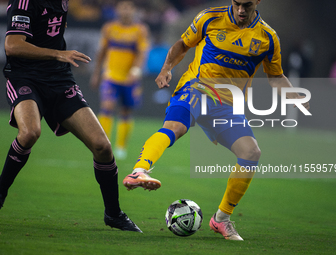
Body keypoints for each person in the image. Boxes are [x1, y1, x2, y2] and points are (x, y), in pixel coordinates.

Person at [122, 0, 310, 240]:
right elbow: (183, 44)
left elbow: (276, 76)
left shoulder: (268, 37)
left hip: (227, 105)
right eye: (237, 3)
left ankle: (221, 219)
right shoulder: (210, 17)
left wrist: (294, 96)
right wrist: (166, 67)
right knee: (175, 127)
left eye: (247, 5)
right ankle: (139, 171)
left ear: (258, 2)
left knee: (251, 153)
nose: (241, 9)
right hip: (197, 88)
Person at [0, 0, 141, 233]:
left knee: (102, 146)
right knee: (30, 132)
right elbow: (12, 45)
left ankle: (114, 214)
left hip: (59, 80)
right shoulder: (25, 2)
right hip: (25, 77)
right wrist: (57, 53)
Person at [90, 0, 150, 160]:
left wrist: (136, 71)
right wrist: (96, 73)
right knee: (107, 107)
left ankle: (121, 147)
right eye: (122, 7)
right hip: (110, 76)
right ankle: (104, 144)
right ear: (117, 10)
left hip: (130, 79)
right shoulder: (109, 28)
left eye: (129, 7)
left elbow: (142, 53)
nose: (125, 10)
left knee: (126, 111)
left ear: (134, 10)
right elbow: (101, 52)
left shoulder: (140, 30)